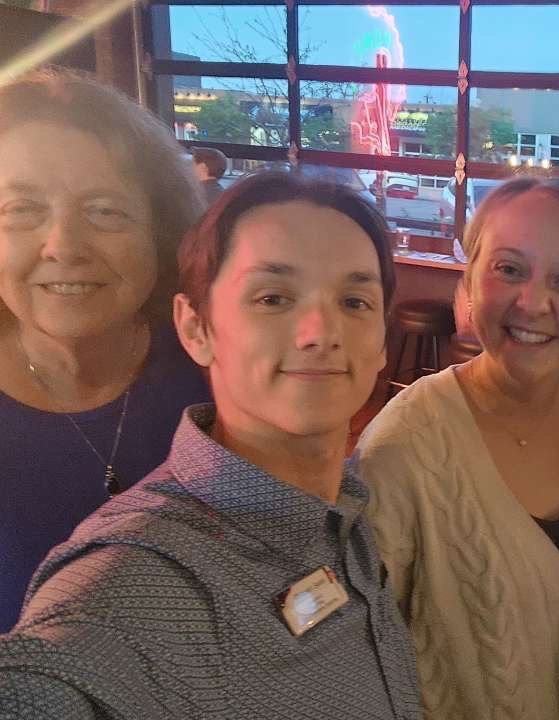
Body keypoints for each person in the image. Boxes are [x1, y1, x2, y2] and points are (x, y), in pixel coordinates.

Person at [0, 172, 421, 719]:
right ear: (196, 328)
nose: (322, 330)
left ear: (383, 340)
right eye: (273, 297)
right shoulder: (142, 579)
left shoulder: (347, 511)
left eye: (354, 301)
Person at [355, 177, 559, 719]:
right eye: (508, 269)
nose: (531, 303)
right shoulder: (403, 447)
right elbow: (363, 655)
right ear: (467, 287)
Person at [0, 69, 210, 633]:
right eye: (21, 210)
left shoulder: (215, 369)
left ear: (160, 230)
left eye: (105, 211)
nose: (64, 245)